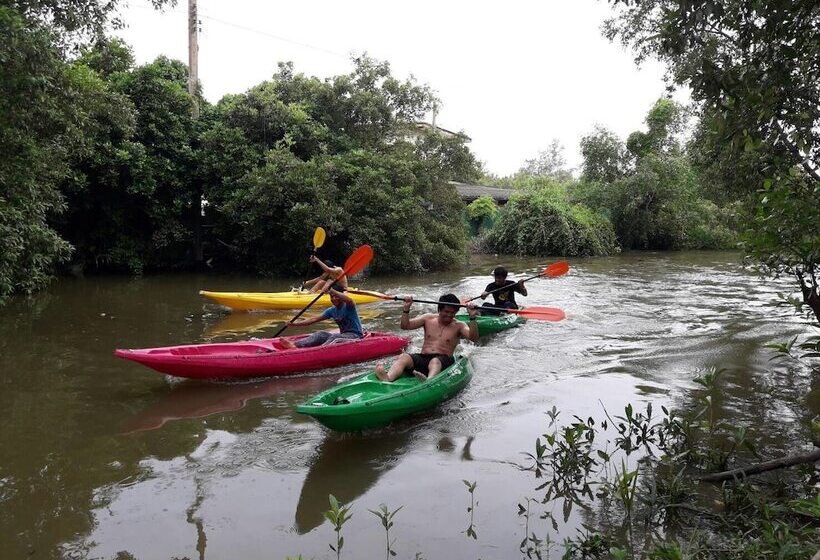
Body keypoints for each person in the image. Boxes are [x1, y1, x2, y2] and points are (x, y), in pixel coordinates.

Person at [375, 293, 478, 382]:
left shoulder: (459, 325)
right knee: (404, 357)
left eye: (453, 313)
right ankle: (388, 377)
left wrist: (472, 317)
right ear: (439, 309)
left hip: (444, 360)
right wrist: (406, 309)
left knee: (435, 362)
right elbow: (405, 326)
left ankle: (429, 381)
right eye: (446, 312)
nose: (449, 315)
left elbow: (473, 338)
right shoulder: (428, 319)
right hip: (424, 357)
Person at [280, 287, 363, 349]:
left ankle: (319, 350)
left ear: (341, 296)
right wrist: (295, 324)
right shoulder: (331, 310)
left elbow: (350, 300)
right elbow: (314, 319)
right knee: (320, 334)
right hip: (343, 335)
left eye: (336, 296)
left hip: (355, 336)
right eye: (331, 296)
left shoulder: (349, 306)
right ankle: (295, 345)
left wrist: (332, 290)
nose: (334, 299)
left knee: (335, 337)